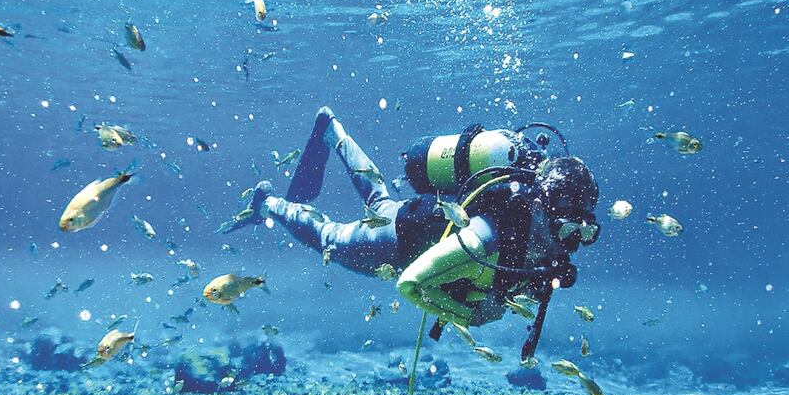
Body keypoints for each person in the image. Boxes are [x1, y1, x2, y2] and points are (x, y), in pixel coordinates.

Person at [222, 106, 600, 347]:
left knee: (379, 200)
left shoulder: (536, 236)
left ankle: (332, 129)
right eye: (569, 229)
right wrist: (470, 316)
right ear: (542, 208)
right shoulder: (486, 237)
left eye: (585, 234)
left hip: (415, 215)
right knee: (329, 238)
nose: (572, 243)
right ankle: (266, 202)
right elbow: (410, 283)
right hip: (395, 243)